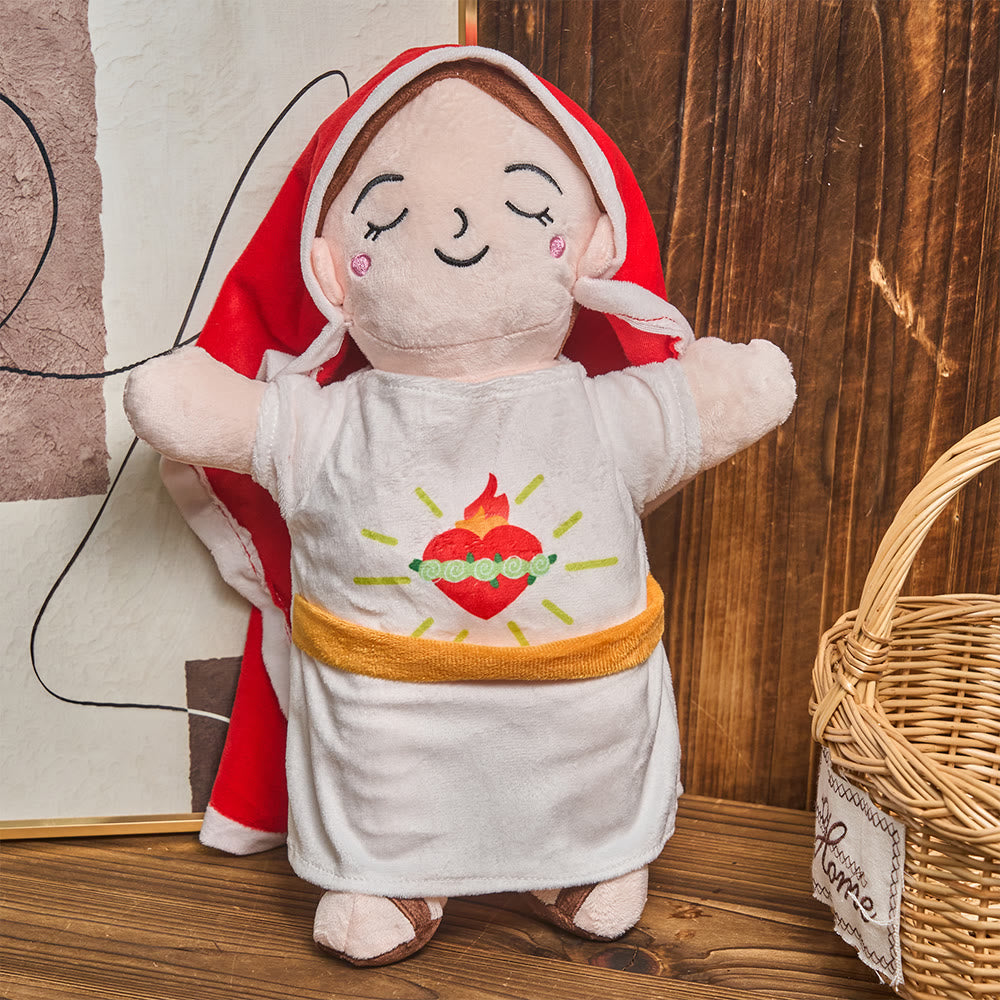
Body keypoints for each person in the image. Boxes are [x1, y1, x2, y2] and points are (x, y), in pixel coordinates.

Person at [125, 46, 794, 967]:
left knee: (583, 768)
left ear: (596, 245)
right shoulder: (332, 422)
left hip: (577, 717)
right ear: (331, 273)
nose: (460, 230)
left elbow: (707, 403)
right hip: (389, 723)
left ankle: (587, 861)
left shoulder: (597, 413)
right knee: (386, 780)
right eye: (389, 217)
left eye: (527, 205)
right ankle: (389, 878)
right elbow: (237, 421)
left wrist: (739, 386)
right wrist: (191, 400)